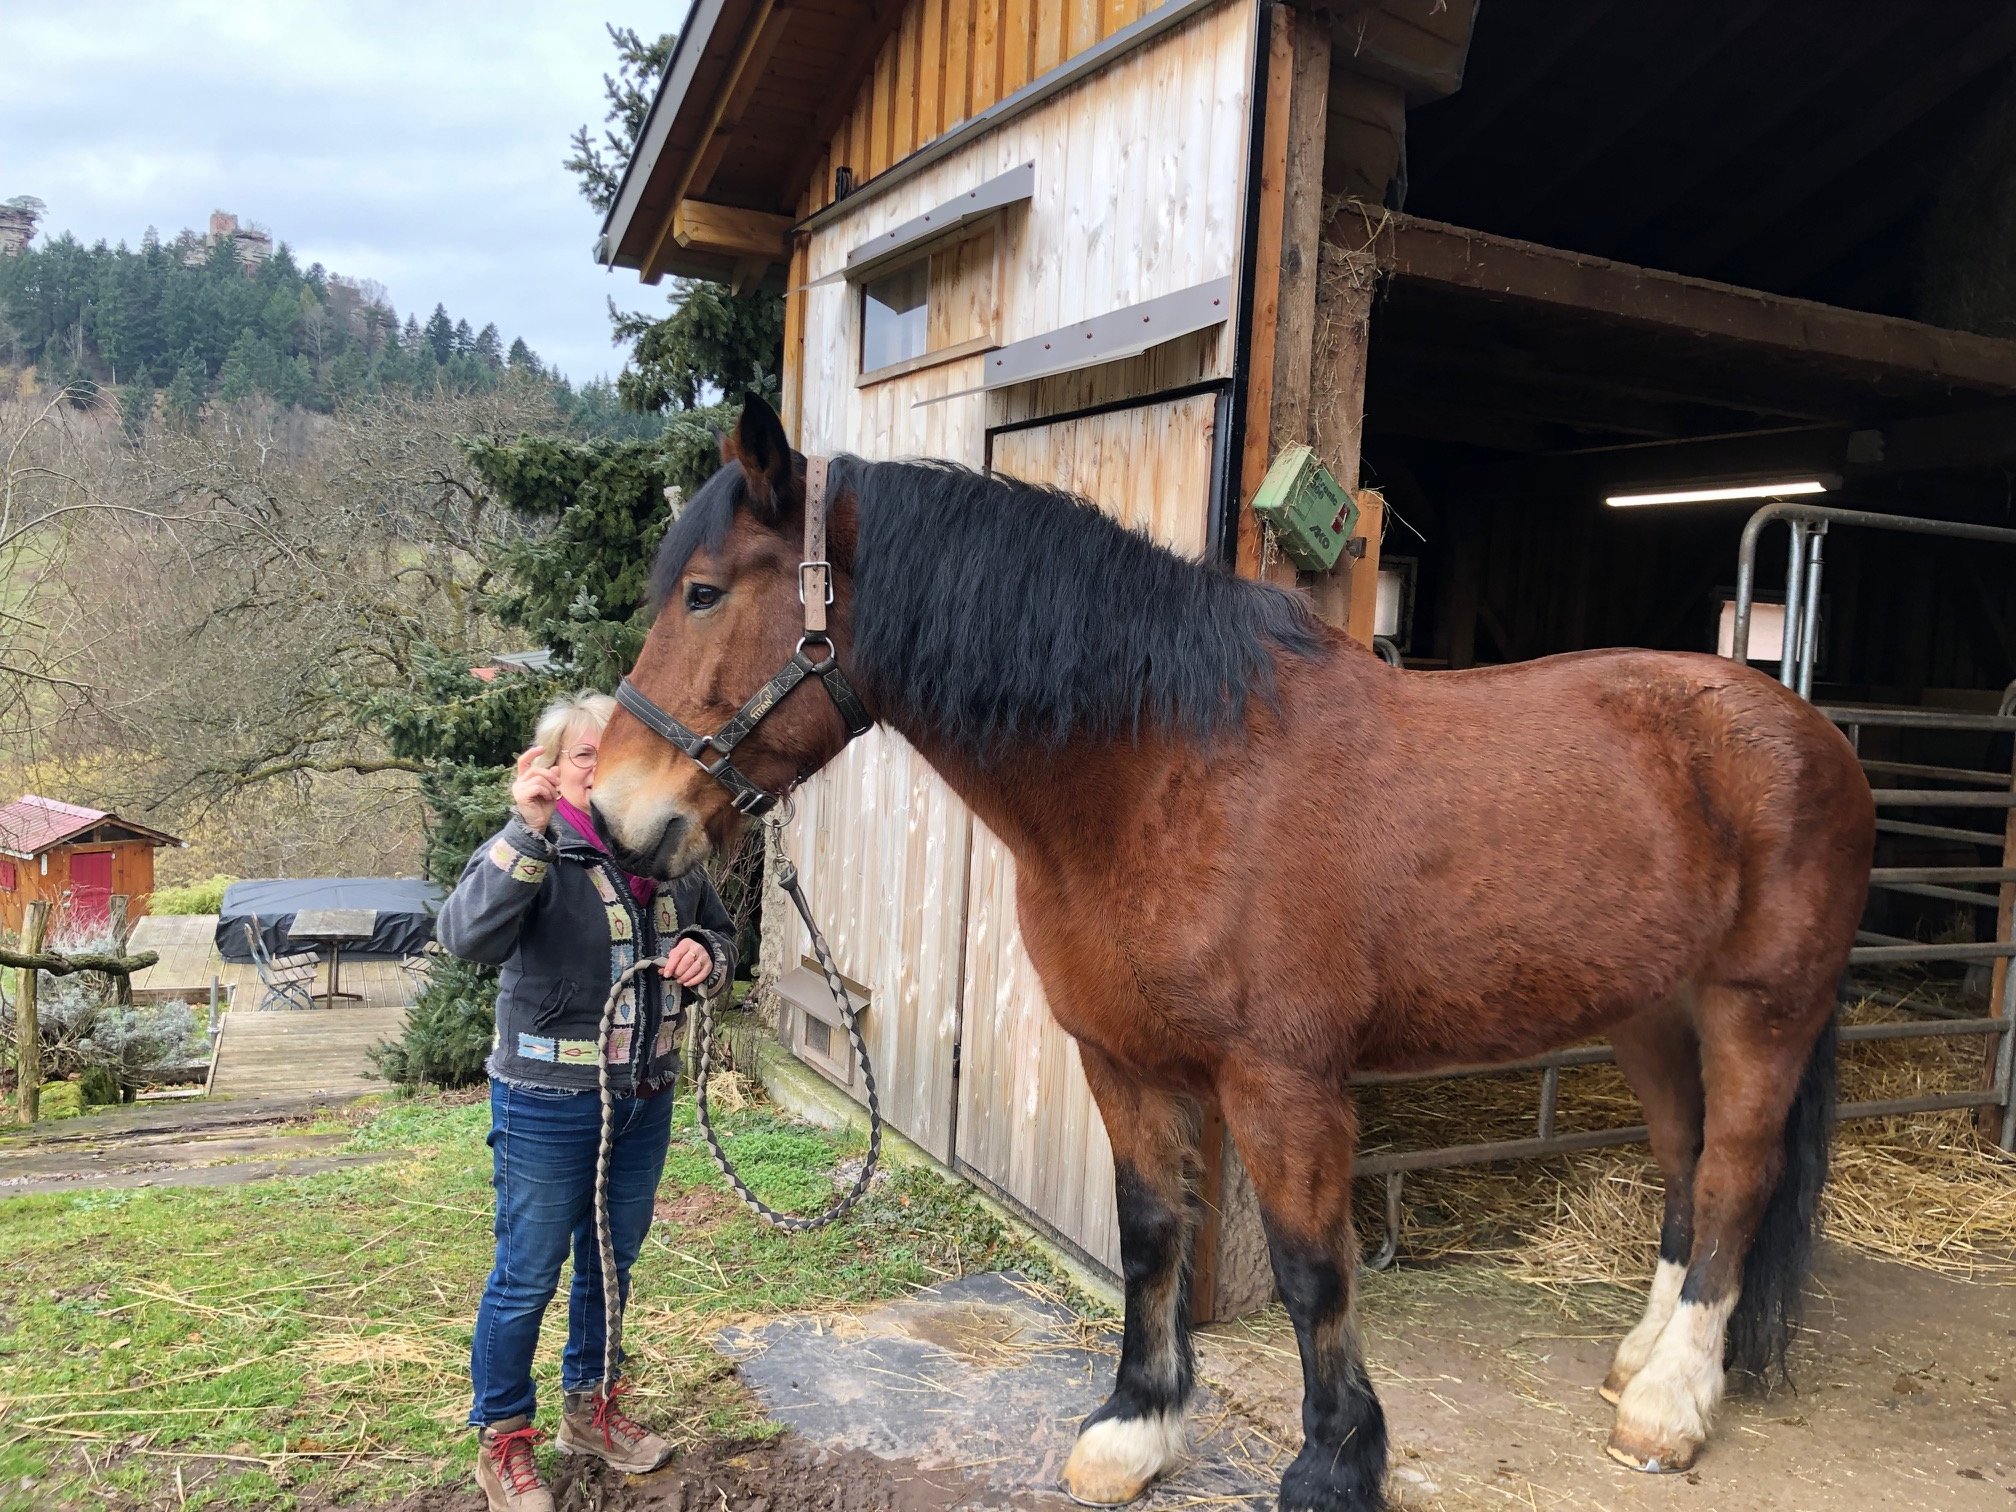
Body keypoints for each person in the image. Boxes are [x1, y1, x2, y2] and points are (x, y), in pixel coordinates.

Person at [437, 691, 737, 1512]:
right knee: (527, 1276)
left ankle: (590, 1412)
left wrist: (703, 956)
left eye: (616, 753)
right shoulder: (535, 844)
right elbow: (465, 938)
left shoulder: (668, 848)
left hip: (644, 1098)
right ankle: (503, 1441)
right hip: (546, 1103)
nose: (601, 771)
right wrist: (525, 830)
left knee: (609, 1264)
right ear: (551, 768)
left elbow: (720, 938)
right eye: (583, 756)